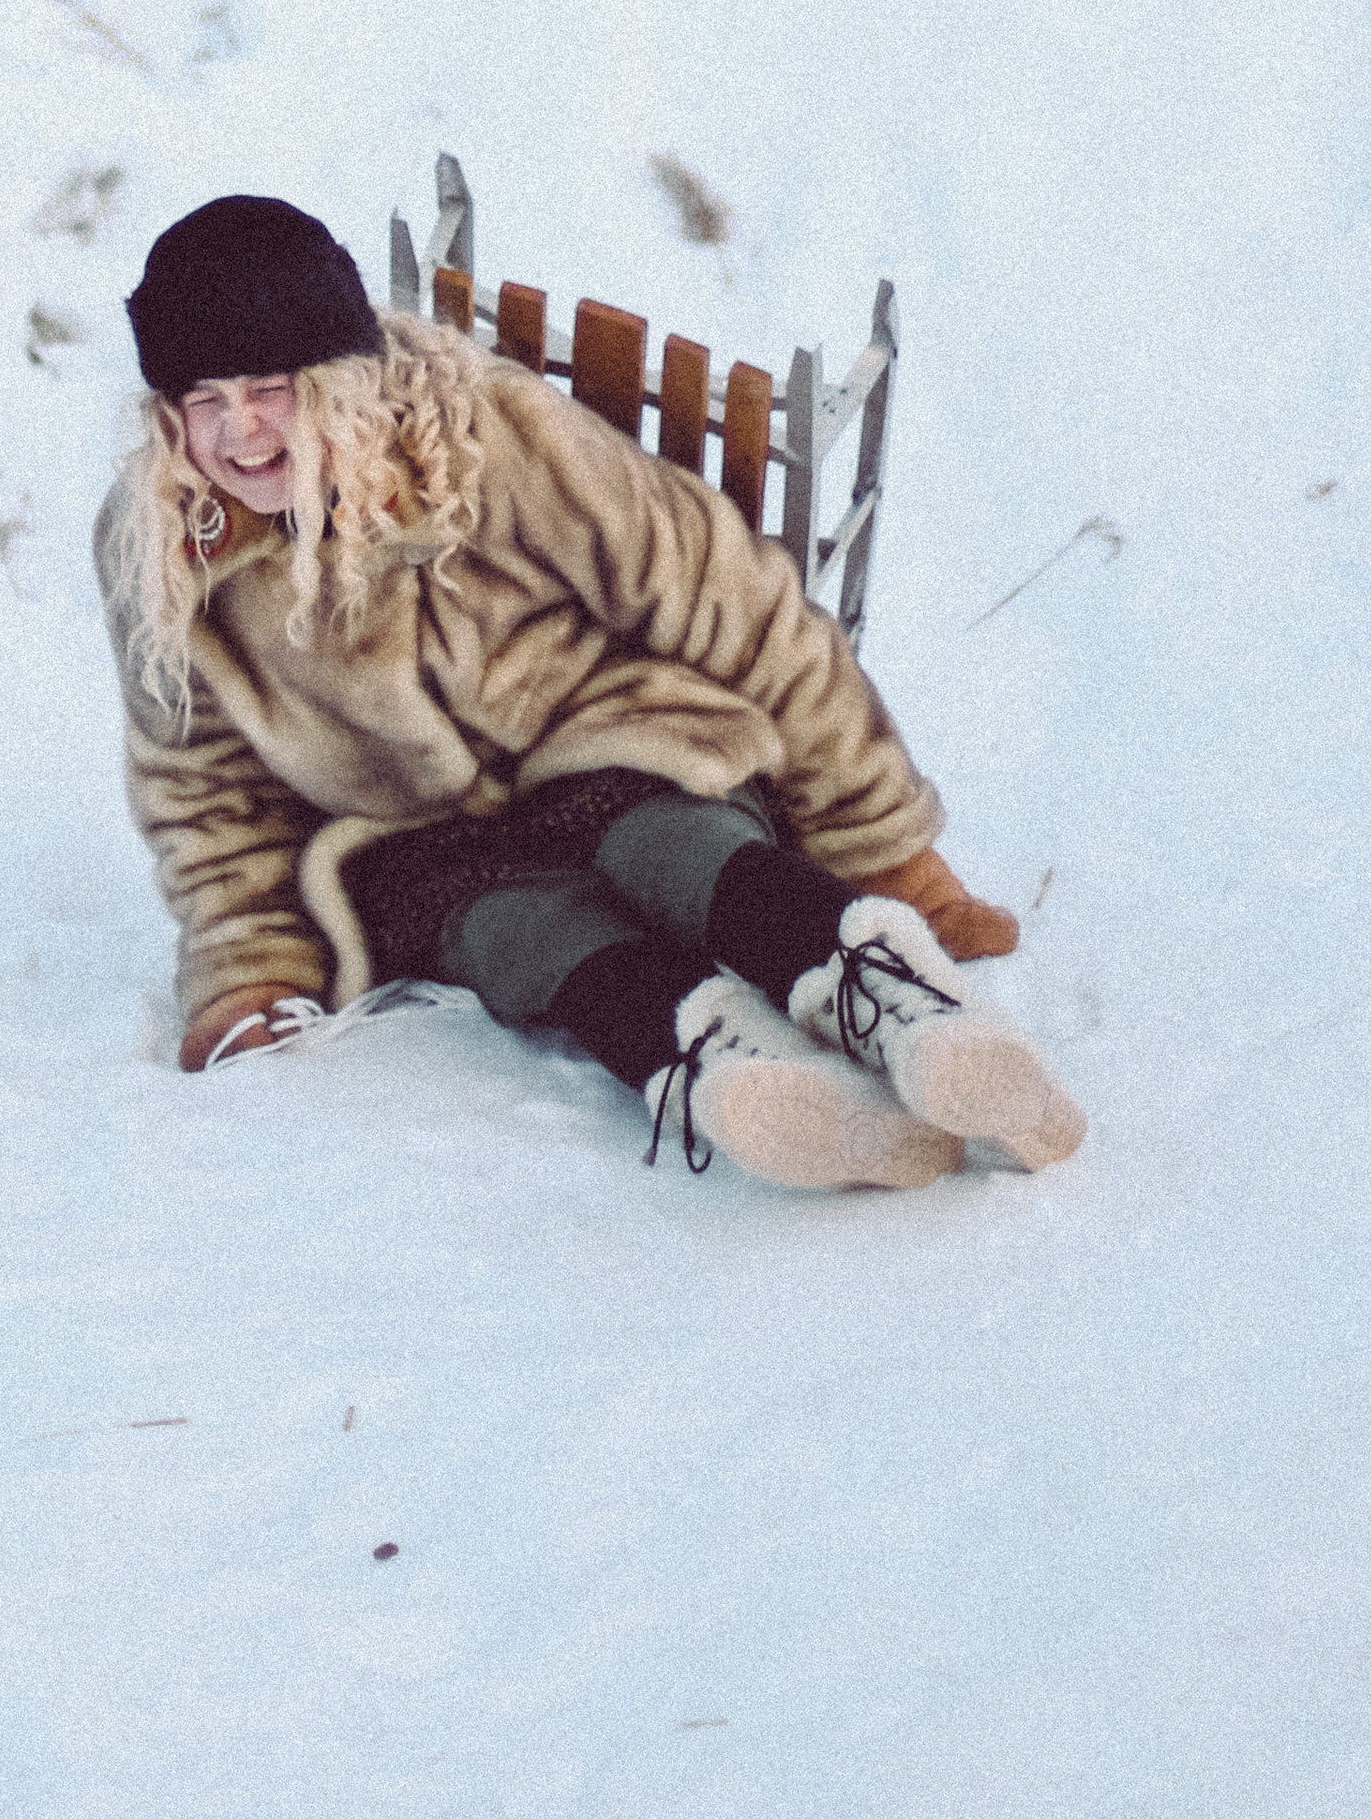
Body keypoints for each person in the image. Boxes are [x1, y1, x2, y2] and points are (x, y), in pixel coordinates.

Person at [96, 192, 1085, 1193]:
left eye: (270, 388)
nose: (241, 431)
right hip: (410, 837)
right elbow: (199, 783)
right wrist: (246, 965)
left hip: (601, 741)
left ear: (337, 380)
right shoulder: (168, 549)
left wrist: (885, 846)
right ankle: (720, 1066)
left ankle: (902, 1004)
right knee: (517, 934)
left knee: (671, 846)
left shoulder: (486, 439)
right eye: (204, 402)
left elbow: (735, 607)